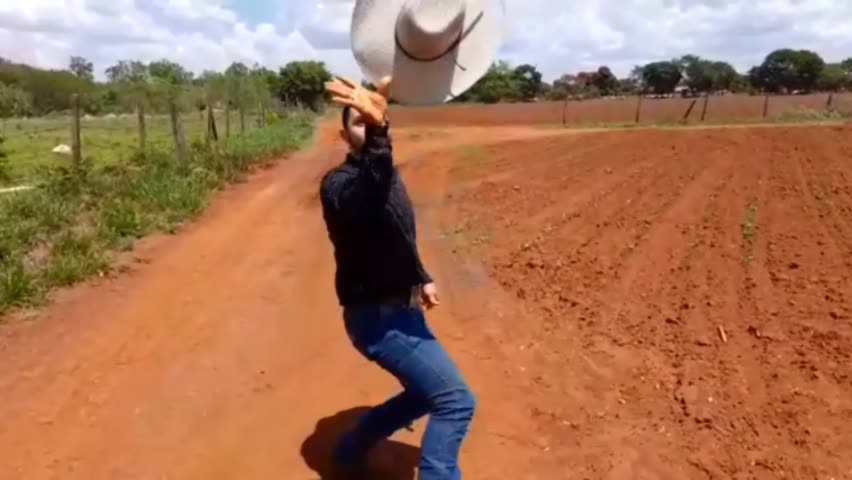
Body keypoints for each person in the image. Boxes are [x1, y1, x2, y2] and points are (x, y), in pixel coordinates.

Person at [318, 75, 477, 480]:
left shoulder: (386, 177)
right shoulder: (338, 185)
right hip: (377, 319)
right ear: (344, 135)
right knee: (456, 401)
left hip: (402, 312)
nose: (369, 125)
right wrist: (380, 132)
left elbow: (399, 233)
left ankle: (350, 450)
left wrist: (421, 276)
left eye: (374, 118)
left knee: (424, 394)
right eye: (360, 122)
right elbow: (370, 197)